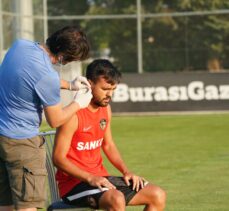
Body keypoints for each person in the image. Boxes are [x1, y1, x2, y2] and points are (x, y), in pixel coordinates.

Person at [53, 59, 166, 211]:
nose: (109, 94)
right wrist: (90, 178)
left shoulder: (105, 110)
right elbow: (58, 159)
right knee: (116, 198)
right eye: (105, 89)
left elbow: (108, 144)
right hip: (74, 185)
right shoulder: (73, 115)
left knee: (157, 195)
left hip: (101, 180)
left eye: (113, 89)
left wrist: (126, 171)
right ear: (89, 83)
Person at [0, 26, 93, 211]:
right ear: (63, 56)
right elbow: (56, 120)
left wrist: (69, 85)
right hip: (22, 144)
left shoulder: (20, 46)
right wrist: (78, 104)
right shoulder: (47, 76)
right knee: (28, 205)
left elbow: (30, 76)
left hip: (1, 135)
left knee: (5, 205)